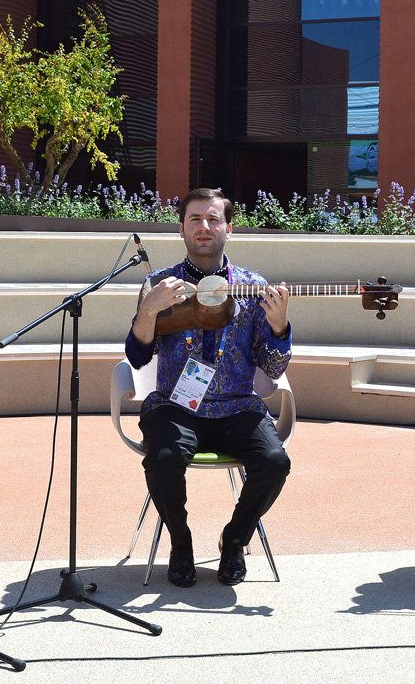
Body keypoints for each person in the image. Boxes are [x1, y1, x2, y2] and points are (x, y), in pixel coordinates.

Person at [126, 188, 292, 587]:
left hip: (237, 406)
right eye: (196, 219)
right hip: (175, 406)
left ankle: (234, 539)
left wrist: (279, 327)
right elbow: (136, 357)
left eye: (213, 219)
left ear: (229, 229)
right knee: (164, 458)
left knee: (275, 462)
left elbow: (272, 366)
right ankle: (180, 543)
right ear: (181, 228)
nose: (205, 227)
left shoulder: (254, 287)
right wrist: (148, 310)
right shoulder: (159, 283)